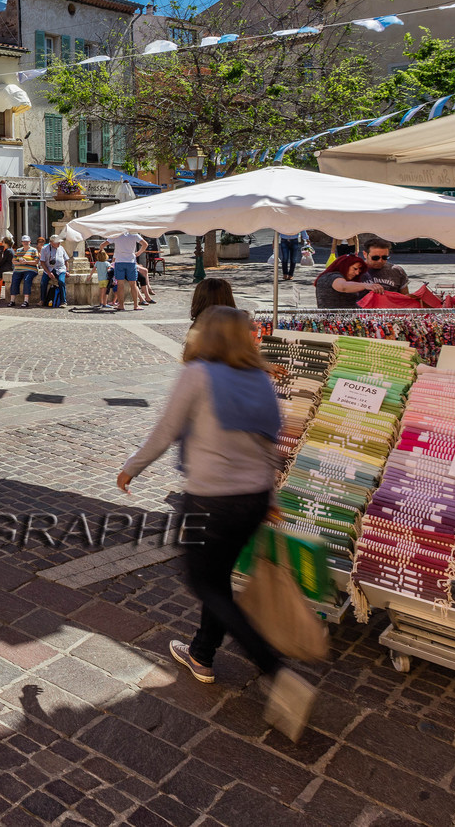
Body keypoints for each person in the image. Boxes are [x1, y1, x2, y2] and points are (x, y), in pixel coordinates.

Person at [116, 306, 316, 741]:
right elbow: (272, 447)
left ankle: (276, 670)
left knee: (206, 583)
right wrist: (272, 498)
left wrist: (131, 467)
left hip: (211, 498)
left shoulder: (199, 374)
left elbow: (166, 429)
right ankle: (202, 654)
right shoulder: (261, 378)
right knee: (220, 578)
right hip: (254, 498)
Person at [314, 253, 382, 309]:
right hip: (338, 321)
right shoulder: (331, 277)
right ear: (344, 265)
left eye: (359, 271)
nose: (357, 273)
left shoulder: (328, 277)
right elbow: (343, 287)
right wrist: (366, 285)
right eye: (355, 269)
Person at [108, 230, 146, 311]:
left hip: (119, 261)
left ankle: (121, 305)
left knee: (120, 285)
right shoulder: (134, 235)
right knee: (133, 284)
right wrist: (138, 253)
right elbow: (145, 244)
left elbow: (103, 244)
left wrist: (101, 251)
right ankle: (136, 305)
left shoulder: (116, 235)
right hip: (131, 261)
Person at [9, 235, 39, 308]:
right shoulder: (18, 250)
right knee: (14, 280)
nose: (25, 243)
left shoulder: (34, 250)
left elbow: (36, 261)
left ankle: (26, 300)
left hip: (30, 269)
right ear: (22, 242)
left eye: (27, 242)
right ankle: (12, 300)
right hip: (19, 269)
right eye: (24, 241)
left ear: (30, 242)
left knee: (27, 280)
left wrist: (26, 262)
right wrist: (19, 262)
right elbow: (13, 260)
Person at [42, 238, 69, 308]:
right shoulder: (45, 249)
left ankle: (63, 301)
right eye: (57, 242)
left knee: (61, 282)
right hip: (49, 269)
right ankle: (42, 300)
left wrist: (67, 271)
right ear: (51, 242)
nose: (59, 244)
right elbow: (42, 262)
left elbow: (66, 260)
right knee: (43, 282)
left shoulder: (61, 248)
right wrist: (48, 273)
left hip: (60, 269)